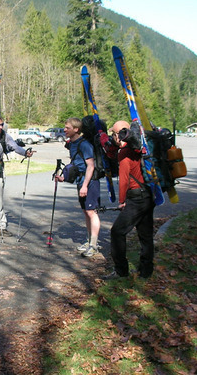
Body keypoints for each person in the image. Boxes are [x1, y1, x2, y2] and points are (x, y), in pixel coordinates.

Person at [104, 120, 156, 280]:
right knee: (145, 235)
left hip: (135, 198)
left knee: (117, 232)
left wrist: (121, 201)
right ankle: (146, 271)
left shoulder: (124, 153)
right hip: (148, 194)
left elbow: (124, 180)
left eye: (114, 134)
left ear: (119, 135)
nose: (113, 138)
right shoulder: (140, 148)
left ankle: (121, 271)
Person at [55, 117, 100, 257]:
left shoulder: (85, 144)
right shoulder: (72, 144)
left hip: (90, 181)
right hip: (81, 181)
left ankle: (94, 245)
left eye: (67, 127)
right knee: (86, 212)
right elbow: (76, 166)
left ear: (76, 129)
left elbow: (90, 166)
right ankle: (89, 241)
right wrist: (63, 178)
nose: (64, 129)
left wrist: (85, 186)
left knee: (92, 212)